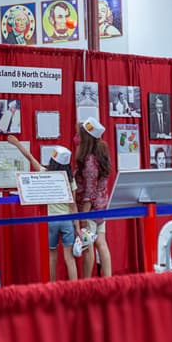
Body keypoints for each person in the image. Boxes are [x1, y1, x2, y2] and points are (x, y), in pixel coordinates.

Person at [5, 136, 79, 282]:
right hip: (67, 220)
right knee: (69, 258)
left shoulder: (45, 173)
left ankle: (51, 287)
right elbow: (73, 205)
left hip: (50, 220)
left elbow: (30, 158)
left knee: (52, 255)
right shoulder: (71, 181)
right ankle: (74, 288)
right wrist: (77, 227)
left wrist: (17, 143)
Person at [74, 116, 112, 278]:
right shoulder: (102, 154)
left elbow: (89, 193)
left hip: (90, 210)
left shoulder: (89, 160)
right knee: (101, 242)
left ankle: (86, 282)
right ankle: (109, 279)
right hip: (102, 207)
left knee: (88, 245)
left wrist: (83, 217)